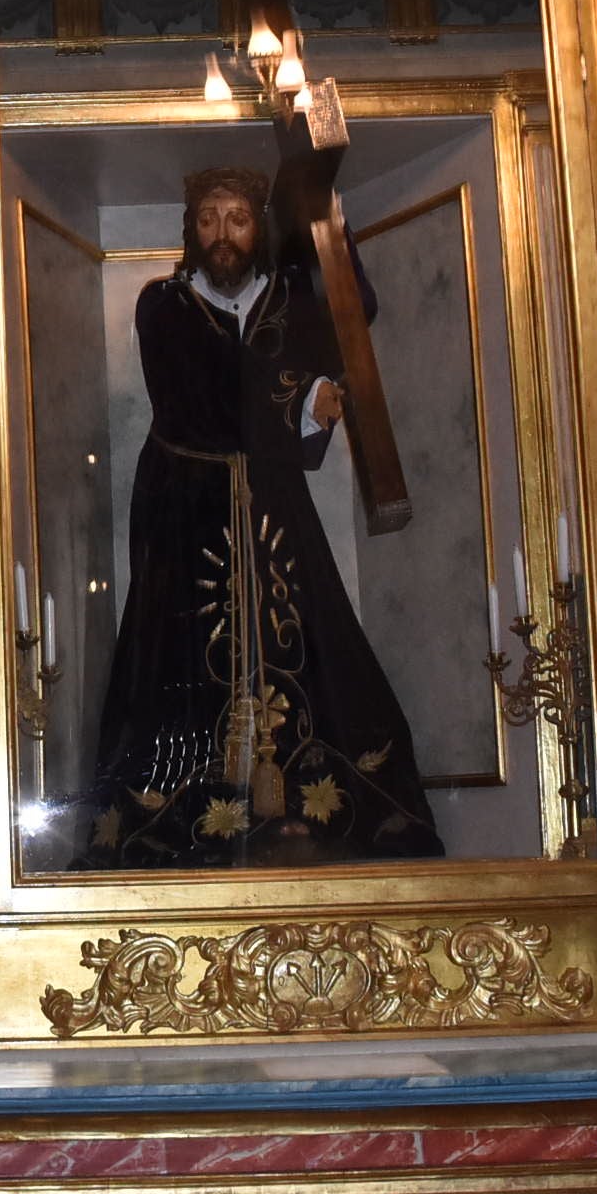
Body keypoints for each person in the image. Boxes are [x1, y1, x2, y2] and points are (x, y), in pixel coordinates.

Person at [78, 168, 443, 868]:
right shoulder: (164, 305)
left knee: (307, 636)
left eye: (238, 218)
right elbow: (201, 389)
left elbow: (353, 310)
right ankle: (187, 816)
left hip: (273, 502)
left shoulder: (284, 299)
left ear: (258, 228)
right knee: (180, 651)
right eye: (209, 218)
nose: (223, 234)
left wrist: (329, 227)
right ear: (192, 230)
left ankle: (307, 805)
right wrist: (302, 397)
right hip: (187, 506)